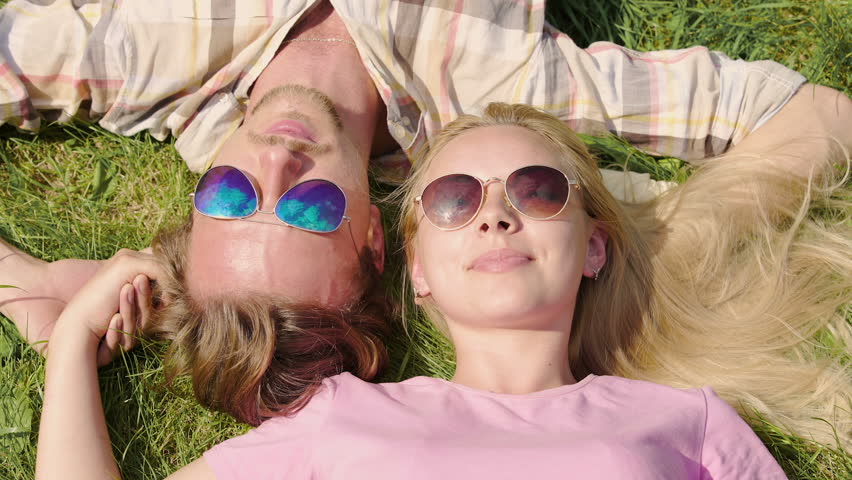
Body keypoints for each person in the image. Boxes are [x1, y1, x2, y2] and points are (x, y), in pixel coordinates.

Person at [35, 103, 850, 479]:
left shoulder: (688, 422)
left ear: (594, 246)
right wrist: (72, 340)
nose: (494, 214)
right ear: (417, 271)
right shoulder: (338, 420)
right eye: (454, 201)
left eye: (535, 190)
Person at [2, 0, 849, 356]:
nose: (273, 160)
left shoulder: (136, 64)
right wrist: (669, 235)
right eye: (306, 206)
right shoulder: (500, 89)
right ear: (375, 235)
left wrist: (30, 285)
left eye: (228, 198)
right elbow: (814, 119)